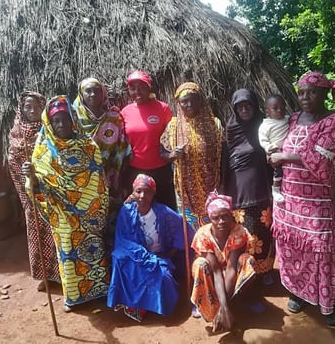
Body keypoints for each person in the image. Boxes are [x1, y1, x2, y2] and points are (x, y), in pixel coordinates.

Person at [270, 71, 335, 330]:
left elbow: (321, 157)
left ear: (325, 93)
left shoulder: (334, 121)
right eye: (301, 92)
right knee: (294, 248)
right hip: (290, 198)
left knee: (321, 249)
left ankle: (330, 304)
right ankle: (300, 293)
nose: (305, 97)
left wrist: (283, 156)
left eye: (312, 92)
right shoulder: (293, 119)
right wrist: (273, 151)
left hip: (316, 202)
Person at [22, 95, 110, 312]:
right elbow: (37, 187)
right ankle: (73, 296)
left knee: (94, 250)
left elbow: (98, 179)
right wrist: (31, 176)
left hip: (90, 213)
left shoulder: (88, 145)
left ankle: (99, 290)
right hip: (62, 216)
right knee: (68, 255)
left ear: (73, 120)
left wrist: (89, 205)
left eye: (65, 119)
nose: (61, 125)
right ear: (50, 124)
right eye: (56, 121)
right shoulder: (43, 151)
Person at [107, 174, 185, 322]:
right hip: (136, 255)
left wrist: (170, 253)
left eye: (147, 191)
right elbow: (123, 240)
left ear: (153, 193)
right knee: (119, 257)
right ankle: (133, 305)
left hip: (158, 255)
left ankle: (156, 307)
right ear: (133, 192)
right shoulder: (126, 211)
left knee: (164, 277)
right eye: (138, 191)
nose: (142, 195)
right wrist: (145, 257)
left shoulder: (162, 212)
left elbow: (182, 228)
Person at [8, 91, 60, 291]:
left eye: (36, 107)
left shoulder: (50, 132)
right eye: (28, 107)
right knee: (37, 234)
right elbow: (13, 162)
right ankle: (45, 276)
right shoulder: (16, 134)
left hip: (51, 193)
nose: (32, 111)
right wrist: (26, 174)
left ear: (43, 108)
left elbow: (57, 160)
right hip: (31, 196)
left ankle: (62, 274)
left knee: (56, 233)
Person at [223, 89, 274, 288]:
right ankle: (247, 274)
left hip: (260, 189)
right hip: (238, 191)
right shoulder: (231, 128)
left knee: (263, 233)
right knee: (244, 235)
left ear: (254, 106)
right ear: (235, 109)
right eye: (240, 107)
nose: (244, 110)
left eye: (248, 106)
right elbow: (225, 163)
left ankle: (265, 270)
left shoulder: (264, 126)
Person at [160, 82, 223, 231]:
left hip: (211, 187)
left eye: (193, 99)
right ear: (179, 104)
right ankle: (193, 254)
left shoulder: (214, 124)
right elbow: (162, 154)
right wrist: (173, 155)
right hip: (185, 190)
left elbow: (223, 157)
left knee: (214, 225)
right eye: (184, 101)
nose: (189, 104)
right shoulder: (173, 127)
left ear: (200, 100)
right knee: (190, 229)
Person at [190, 190, 255, 333]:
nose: (221, 222)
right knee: (200, 264)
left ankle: (234, 303)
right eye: (216, 218)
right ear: (209, 218)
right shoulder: (203, 235)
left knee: (247, 261)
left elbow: (231, 269)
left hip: (230, 277)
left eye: (225, 216)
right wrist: (222, 308)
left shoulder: (239, 232)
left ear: (231, 215)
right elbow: (216, 271)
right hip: (212, 278)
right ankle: (208, 305)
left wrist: (224, 308)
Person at [121, 70, 176, 210]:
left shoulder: (162, 109)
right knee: (139, 210)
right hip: (135, 171)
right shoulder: (125, 112)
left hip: (161, 170)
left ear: (149, 87)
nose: (137, 91)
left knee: (166, 208)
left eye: (142, 87)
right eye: (132, 88)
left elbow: (171, 136)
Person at [73, 77, 130, 207]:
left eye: (97, 90)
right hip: (81, 179)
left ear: (103, 93)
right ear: (81, 94)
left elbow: (122, 146)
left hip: (110, 177)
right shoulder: (72, 118)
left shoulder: (114, 117)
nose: (93, 94)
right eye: (88, 91)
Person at [258, 94, 289, 203]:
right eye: (275, 108)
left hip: (289, 150)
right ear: (267, 112)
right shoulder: (265, 125)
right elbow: (263, 140)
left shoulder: (288, 119)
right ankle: (275, 189)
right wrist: (270, 148)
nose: (279, 110)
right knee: (278, 172)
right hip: (276, 150)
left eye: (282, 107)